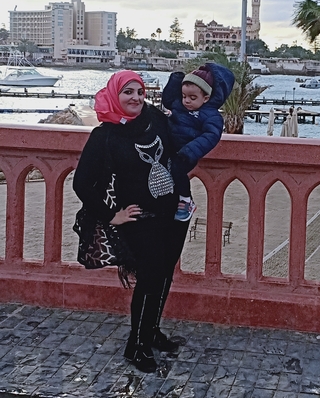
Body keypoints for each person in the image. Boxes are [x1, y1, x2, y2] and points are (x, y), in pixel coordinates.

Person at [73, 71, 188, 374]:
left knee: (164, 276)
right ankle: (136, 345)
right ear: (114, 95)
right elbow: (82, 184)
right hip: (139, 221)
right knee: (149, 279)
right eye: (128, 92)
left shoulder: (157, 120)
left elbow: (179, 147)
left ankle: (151, 332)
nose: (136, 97)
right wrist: (113, 216)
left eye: (140, 91)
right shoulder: (105, 135)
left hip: (172, 215)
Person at [162, 62, 235, 221]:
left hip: (187, 153)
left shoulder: (211, 115)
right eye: (184, 96)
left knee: (177, 170)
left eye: (193, 98)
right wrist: (176, 80)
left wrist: (190, 151)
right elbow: (167, 100)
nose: (187, 101)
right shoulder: (180, 106)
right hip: (171, 146)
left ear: (206, 98)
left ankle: (186, 200)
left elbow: (211, 136)